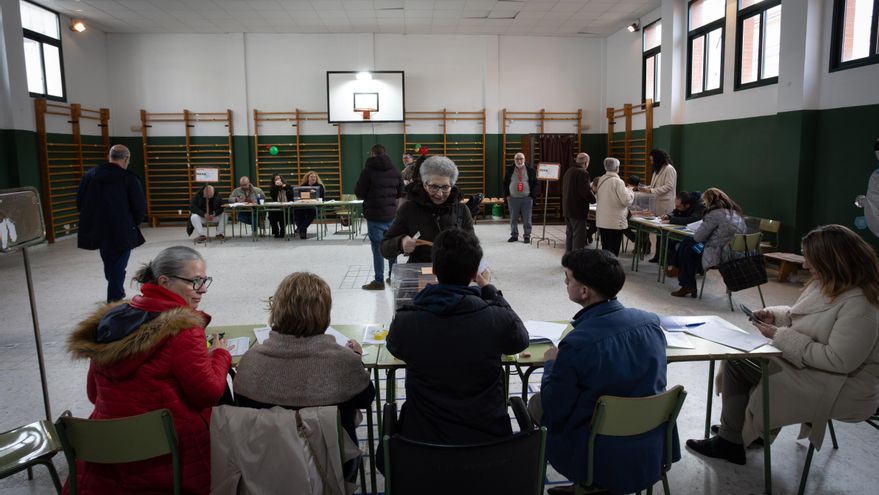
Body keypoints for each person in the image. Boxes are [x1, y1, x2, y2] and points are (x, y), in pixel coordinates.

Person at [687, 224, 879, 465]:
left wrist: (780, 335)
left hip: (841, 385)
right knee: (745, 358)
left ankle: (730, 441)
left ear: (833, 262)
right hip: (819, 370)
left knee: (738, 364)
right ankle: (751, 429)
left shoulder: (861, 305)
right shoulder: (828, 284)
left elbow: (839, 360)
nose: (806, 266)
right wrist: (775, 315)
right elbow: (804, 316)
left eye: (811, 261)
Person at [66, 246, 231, 494]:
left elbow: (93, 394)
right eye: (195, 282)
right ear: (164, 281)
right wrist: (220, 355)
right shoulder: (183, 329)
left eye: (204, 280)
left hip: (106, 456)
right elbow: (208, 394)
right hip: (168, 456)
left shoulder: (113, 320)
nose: (203, 289)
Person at [528, 248, 678, 495]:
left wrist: (551, 364)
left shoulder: (577, 343)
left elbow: (556, 409)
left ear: (584, 291)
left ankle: (587, 483)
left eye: (568, 279)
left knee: (537, 403)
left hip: (594, 450)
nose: (566, 284)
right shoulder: (650, 323)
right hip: (650, 440)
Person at [386, 228, 529, 447]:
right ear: (474, 274)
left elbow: (394, 347)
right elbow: (520, 340)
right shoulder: (497, 319)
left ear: (434, 269)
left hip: (422, 447)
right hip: (489, 446)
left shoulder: (406, 322)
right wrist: (490, 290)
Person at [233, 272, 374, 479]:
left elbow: (242, 405)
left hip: (267, 471)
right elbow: (366, 398)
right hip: (333, 470)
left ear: (276, 310)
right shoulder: (344, 362)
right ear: (324, 314)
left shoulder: (249, 362)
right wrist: (356, 360)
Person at [76, 144, 147, 303]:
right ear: (126, 159)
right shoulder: (129, 178)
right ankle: (114, 298)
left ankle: (117, 291)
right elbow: (139, 207)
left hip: (99, 228)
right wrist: (132, 223)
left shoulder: (90, 176)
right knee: (118, 264)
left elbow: (80, 203)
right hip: (122, 228)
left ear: (110, 157)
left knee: (109, 261)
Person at [381, 156, 474, 264]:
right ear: (425, 184)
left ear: (452, 185)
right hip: (419, 273)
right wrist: (400, 243)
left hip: (452, 275)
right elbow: (384, 248)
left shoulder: (461, 211)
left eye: (445, 187)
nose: (439, 194)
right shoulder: (408, 210)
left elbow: (473, 247)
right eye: (434, 187)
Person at [671, 187, 746, 298]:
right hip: (736, 253)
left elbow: (698, 238)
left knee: (687, 244)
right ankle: (683, 274)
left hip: (719, 254)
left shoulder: (714, 214)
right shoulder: (735, 213)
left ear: (709, 201)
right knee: (689, 249)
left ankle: (685, 281)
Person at [355, 144, 403, 290]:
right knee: (392, 247)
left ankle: (379, 281)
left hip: (375, 216)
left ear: (373, 154)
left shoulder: (367, 171)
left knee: (377, 248)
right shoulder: (395, 170)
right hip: (391, 216)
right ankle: (392, 277)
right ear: (385, 153)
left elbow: (360, 193)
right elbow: (401, 192)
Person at [639, 149, 678, 262]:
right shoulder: (657, 169)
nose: (651, 162)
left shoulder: (669, 169)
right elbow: (654, 185)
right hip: (657, 202)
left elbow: (669, 186)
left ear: (658, 159)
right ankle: (658, 256)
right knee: (659, 232)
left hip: (665, 203)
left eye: (652, 160)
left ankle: (664, 257)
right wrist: (646, 188)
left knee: (664, 233)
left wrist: (651, 191)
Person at [594, 157, 634, 256]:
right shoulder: (618, 182)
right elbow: (627, 201)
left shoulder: (601, 179)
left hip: (603, 220)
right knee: (613, 250)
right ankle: (611, 270)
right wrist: (630, 192)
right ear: (617, 168)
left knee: (605, 248)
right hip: (614, 222)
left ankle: (604, 269)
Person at [657, 191, 704, 266]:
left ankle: (678, 266)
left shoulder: (700, 206)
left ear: (687, 206)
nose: (676, 208)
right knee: (663, 235)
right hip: (685, 231)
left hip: (695, 235)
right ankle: (665, 260)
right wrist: (668, 216)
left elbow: (692, 220)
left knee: (679, 245)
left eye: (678, 206)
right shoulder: (685, 200)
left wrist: (671, 220)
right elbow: (675, 211)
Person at [562, 152, 596, 252]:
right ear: (586, 162)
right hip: (577, 210)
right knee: (578, 237)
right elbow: (584, 192)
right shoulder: (583, 173)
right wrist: (593, 199)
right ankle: (576, 261)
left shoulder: (569, 171)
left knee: (570, 235)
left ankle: (568, 259)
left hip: (567, 209)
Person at [503, 152, 538, 243]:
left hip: (527, 198)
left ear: (524, 159)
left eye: (521, 158)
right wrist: (507, 195)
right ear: (514, 160)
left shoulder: (530, 170)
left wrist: (532, 196)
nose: (519, 161)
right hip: (513, 198)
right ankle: (514, 235)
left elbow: (535, 184)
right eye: (517, 159)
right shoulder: (509, 169)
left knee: (527, 219)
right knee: (513, 219)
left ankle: (527, 236)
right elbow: (505, 183)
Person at [293, 170, 325, 239]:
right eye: (311, 177)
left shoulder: (319, 186)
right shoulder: (303, 186)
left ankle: (301, 228)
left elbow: (321, 196)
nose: (313, 178)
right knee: (297, 211)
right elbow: (299, 196)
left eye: (314, 177)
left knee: (312, 212)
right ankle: (302, 232)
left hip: (314, 206)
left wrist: (315, 192)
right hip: (304, 205)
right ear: (308, 178)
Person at [267, 173, 294, 238]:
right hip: (277, 206)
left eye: (279, 178)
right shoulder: (273, 188)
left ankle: (282, 231)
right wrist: (277, 187)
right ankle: (276, 231)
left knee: (283, 214)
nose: (278, 180)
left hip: (286, 206)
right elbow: (273, 197)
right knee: (271, 215)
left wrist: (284, 187)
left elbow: (291, 195)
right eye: (276, 179)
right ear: (274, 181)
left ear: (281, 179)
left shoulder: (288, 186)